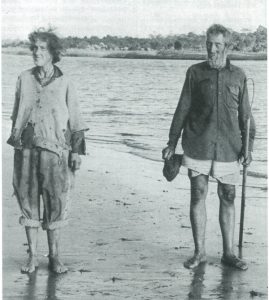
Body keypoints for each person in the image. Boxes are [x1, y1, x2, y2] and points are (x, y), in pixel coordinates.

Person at [162, 24, 255, 270]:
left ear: (227, 47)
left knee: (229, 195)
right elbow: (182, 108)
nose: (212, 50)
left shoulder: (239, 75)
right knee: (198, 194)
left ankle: (228, 253)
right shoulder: (194, 72)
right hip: (197, 143)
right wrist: (171, 142)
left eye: (217, 45)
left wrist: (248, 147)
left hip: (229, 147)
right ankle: (200, 252)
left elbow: (246, 116)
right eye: (209, 44)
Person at [7, 28, 88, 274]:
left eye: (42, 49)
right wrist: (18, 138)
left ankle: (55, 257)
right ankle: (32, 257)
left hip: (55, 154)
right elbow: (15, 114)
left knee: (55, 203)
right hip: (27, 150)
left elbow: (75, 119)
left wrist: (76, 152)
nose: (37, 53)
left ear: (53, 53)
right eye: (34, 48)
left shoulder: (65, 82)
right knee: (28, 203)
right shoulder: (23, 78)